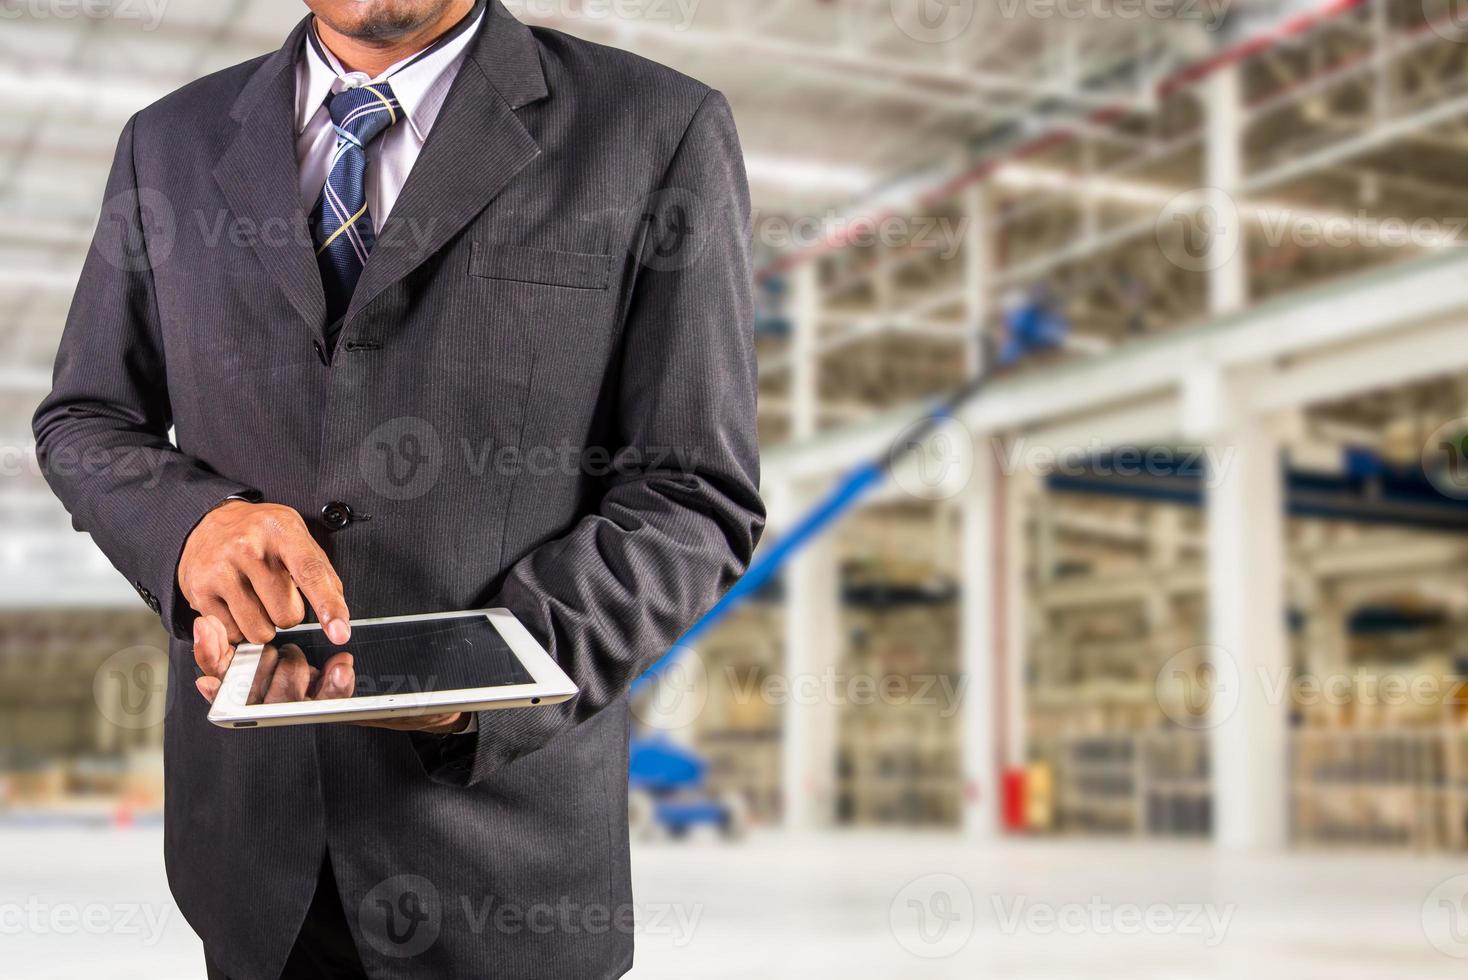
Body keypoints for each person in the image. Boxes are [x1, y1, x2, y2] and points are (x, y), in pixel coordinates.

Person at [32, 1, 763, 976]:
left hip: (502, 861)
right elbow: (87, 417)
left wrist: (482, 676)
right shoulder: (165, 144)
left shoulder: (652, 130)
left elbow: (693, 490)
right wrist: (191, 528)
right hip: (254, 863)